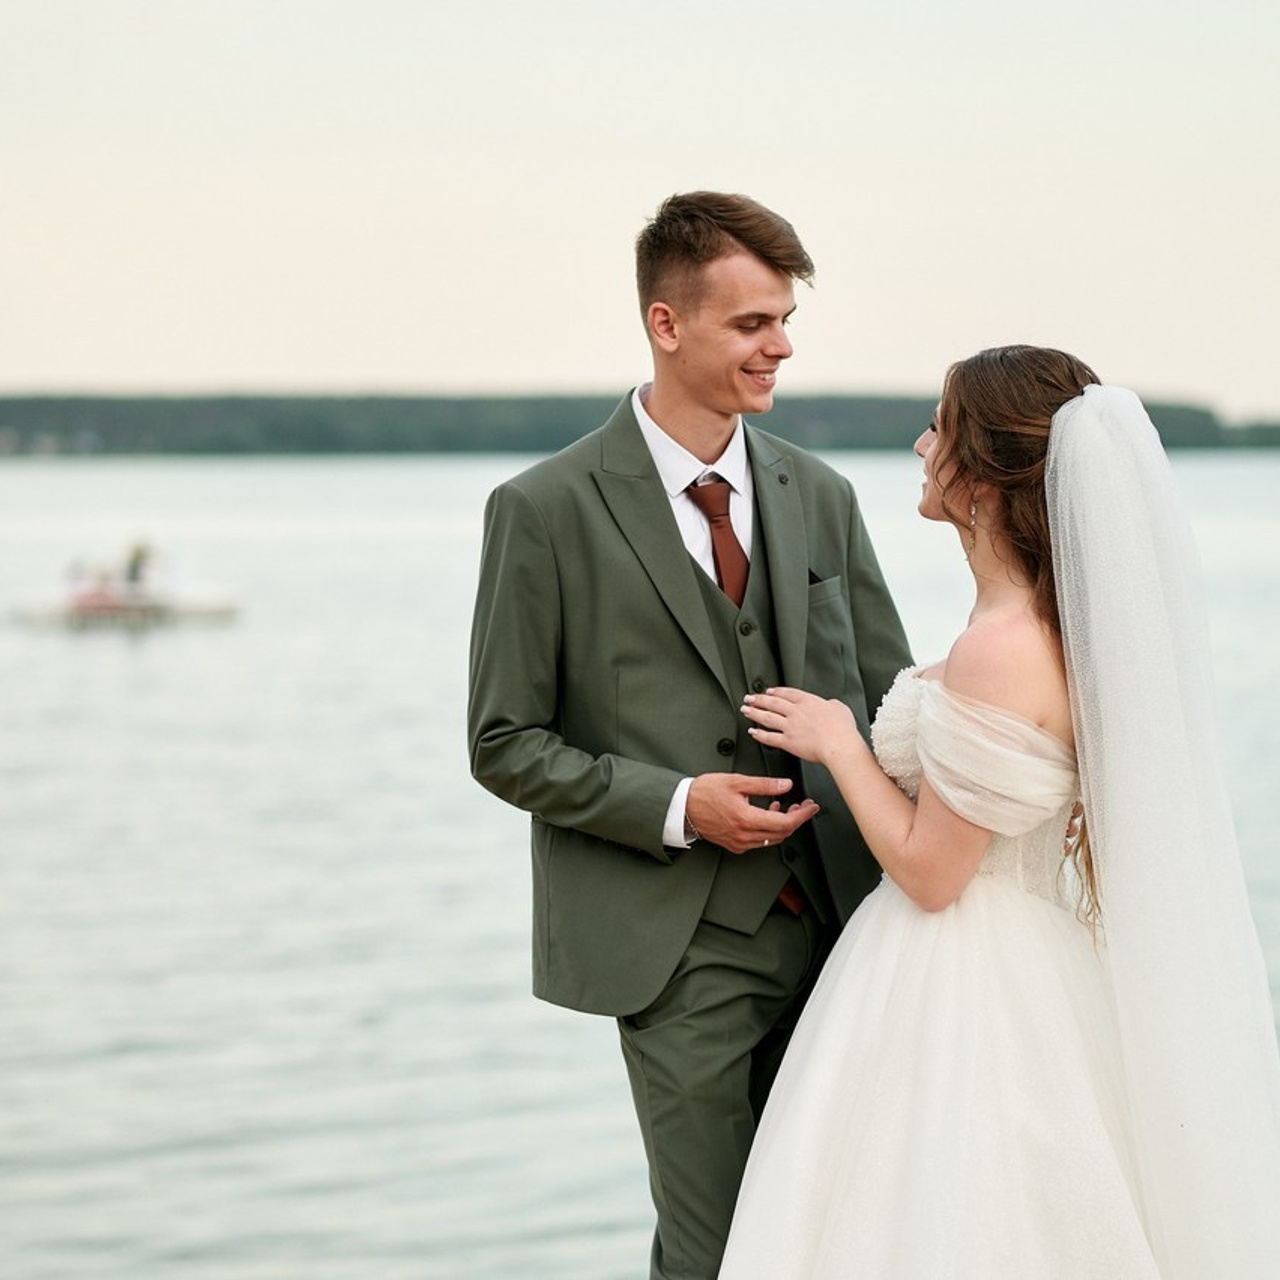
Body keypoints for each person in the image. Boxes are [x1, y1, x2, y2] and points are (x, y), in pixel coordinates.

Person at [721, 345, 1280, 1278]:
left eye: (937, 428)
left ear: (979, 476)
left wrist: (839, 742)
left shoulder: (1002, 647)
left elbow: (934, 873)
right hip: (1029, 955)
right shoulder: (1051, 632)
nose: (919, 445)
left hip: (959, 977)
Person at [467, 191, 911, 1279]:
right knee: (715, 1253)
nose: (780, 345)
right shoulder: (544, 509)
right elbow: (504, 740)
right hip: (677, 947)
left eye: (784, 319)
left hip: (847, 927)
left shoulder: (821, 494)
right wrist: (678, 806)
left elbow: (888, 704)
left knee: (837, 1239)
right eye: (751, 322)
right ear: (665, 324)